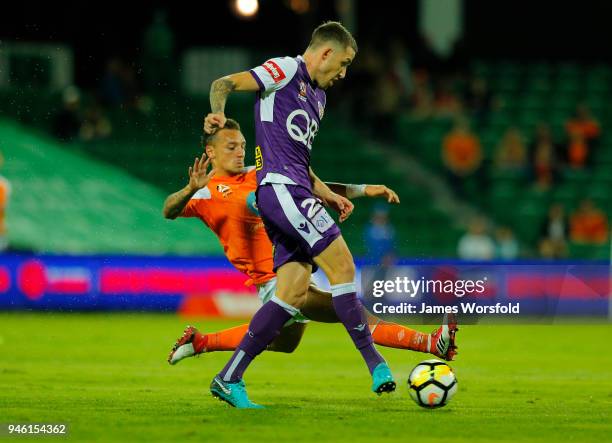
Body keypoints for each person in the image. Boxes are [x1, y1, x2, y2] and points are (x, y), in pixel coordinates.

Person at [203, 21, 458, 408]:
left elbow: (301, 165)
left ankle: (228, 377)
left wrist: (338, 194)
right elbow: (222, 83)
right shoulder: (285, 70)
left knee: (291, 294)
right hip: (280, 190)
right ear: (325, 52)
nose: (343, 73)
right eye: (343, 63)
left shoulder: (318, 100)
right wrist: (218, 114)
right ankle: (376, 364)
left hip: (294, 190)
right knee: (342, 268)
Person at [163, 118, 456, 372]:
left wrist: (364, 189)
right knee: (353, 312)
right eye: (231, 147)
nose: (240, 151)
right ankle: (431, 343)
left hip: (297, 269)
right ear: (210, 152)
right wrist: (190, 188)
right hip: (277, 284)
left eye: (242, 145)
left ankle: (200, 342)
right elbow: (169, 210)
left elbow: (313, 187)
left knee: (284, 343)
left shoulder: (259, 174)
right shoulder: (205, 193)